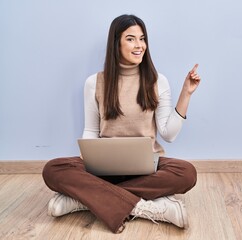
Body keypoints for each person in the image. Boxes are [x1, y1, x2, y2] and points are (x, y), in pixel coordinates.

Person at [42, 14, 201, 234]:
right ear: (116, 43)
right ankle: (148, 207)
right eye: (131, 39)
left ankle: (83, 201)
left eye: (142, 38)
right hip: (103, 169)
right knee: (53, 169)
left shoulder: (157, 80)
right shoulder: (94, 82)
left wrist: (186, 93)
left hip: (147, 169)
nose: (139, 46)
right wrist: (88, 160)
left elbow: (168, 134)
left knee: (186, 172)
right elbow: (91, 130)